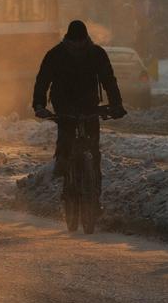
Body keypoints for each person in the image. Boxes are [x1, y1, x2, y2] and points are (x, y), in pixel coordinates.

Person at [32, 20, 126, 191]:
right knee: (66, 142)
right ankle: (64, 175)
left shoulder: (97, 54)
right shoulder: (55, 54)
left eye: (81, 42)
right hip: (64, 105)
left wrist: (116, 104)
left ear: (86, 39)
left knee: (93, 150)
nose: (78, 46)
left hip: (89, 104)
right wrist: (39, 104)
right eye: (74, 42)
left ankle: (94, 194)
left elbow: (109, 80)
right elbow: (42, 81)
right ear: (68, 39)